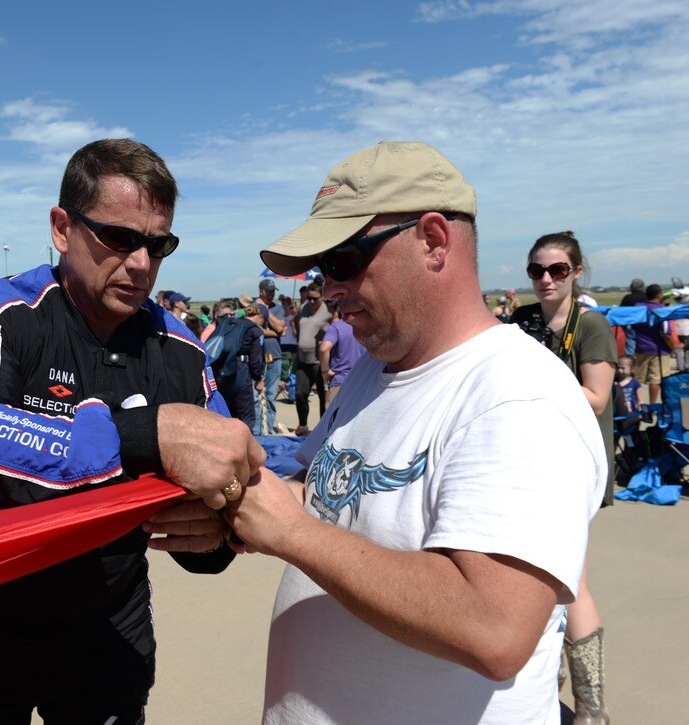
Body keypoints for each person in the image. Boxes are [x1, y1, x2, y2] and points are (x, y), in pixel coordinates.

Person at [226, 141, 605, 724]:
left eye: (343, 259)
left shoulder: (518, 395)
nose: (327, 287)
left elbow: (493, 627)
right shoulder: (380, 369)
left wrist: (290, 533)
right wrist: (235, 500)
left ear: (433, 240)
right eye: (321, 268)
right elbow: (324, 493)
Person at [0, 138, 263, 723]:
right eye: (119, 239)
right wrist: (143, 435)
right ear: (61, 228)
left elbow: (228, 481)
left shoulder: (178, 347)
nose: (141, 263)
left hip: (108, 628)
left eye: (159, 245)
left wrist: (213, 534)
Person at [510, 231, 616, 722]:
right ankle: (542, 694)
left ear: (576, 272)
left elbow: (597, 397)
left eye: (557, 270)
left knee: (570, 581)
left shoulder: (590, 325)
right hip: (522, 460)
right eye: (537, 271)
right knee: (529, 578)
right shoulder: (523, 321)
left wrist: (540, 384)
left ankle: (592, 706)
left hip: (572, 463)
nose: (546, 280)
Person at [206, 298, 265, 430]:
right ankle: (247, 448)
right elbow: (255, 361)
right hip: (241, 376)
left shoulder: (230, 324)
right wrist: (259, 379)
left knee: (227, 416)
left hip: (222, 375)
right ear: (261, 317)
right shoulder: (255, 331)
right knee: (247, 418)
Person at [293, 282, 331, 435]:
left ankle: (323, 430)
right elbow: (295, 320)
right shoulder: (304, 308)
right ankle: (303, 426)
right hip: (303, 361)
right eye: (309, 298)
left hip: (319, 362)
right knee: (300, 394)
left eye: (315, 298)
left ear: (322, 296)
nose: (312, 301)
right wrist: (298, 335)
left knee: (324, 397)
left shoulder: (328, 311)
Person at [631, 284, 675, 405]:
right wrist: (673, 347)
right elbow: (666, 333)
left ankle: (637, 404)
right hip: (659, 350)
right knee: (656, 380)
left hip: (640, 348)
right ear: (659, 295)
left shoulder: (638, 307)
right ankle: (652, 405)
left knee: (638, 379)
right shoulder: (661, 310)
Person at [253, 279, 286, 435]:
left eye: (274, 291)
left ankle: (269, 431)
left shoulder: (277, 308)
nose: (272, 294)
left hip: (275, 357)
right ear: (261, 291)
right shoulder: (251, 307)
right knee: (256, 398)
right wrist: (274, 332)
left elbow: (281, 328)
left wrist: (265, 310)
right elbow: (253, 329)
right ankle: (257, 431)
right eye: (269, 291)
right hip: (257, 358)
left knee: (271, 396)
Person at [318, 304, 366, 407]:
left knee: (334, 421)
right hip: (364, 382)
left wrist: (325, 371)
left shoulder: (336, 327)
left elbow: (324, 349)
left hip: (340, 380)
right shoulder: (366, 326)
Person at [620, 278, 646, 355]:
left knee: (630, 346)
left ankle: (630, 362)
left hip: (630, 325)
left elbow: (621, 312)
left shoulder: (628, 298)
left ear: (633, 286)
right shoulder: (646, 297)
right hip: (645, 325)